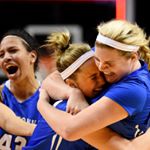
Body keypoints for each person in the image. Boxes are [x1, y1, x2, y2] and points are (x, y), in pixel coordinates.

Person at [37, 19, 150, 150]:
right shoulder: (107, 53)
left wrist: (42, 104)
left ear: (133, 57)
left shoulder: (133, 89)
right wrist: (73, 92)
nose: (101, 67)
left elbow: (69, 130)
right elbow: (52, 79)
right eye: (97, 59)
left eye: (109, 64)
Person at [23, 31, 105, 150]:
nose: (102, 81)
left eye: (101, 74)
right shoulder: (67, 109)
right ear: (72, 84)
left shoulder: (89, 92)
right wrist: (42, 104)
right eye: (93, 77)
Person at [0, 29, 41, 150]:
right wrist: (49, 131)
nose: (6, 57)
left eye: (13, 50)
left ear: (32, 56)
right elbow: (8, 122)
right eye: (1, 55)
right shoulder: (1, 94)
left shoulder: (49, 96)